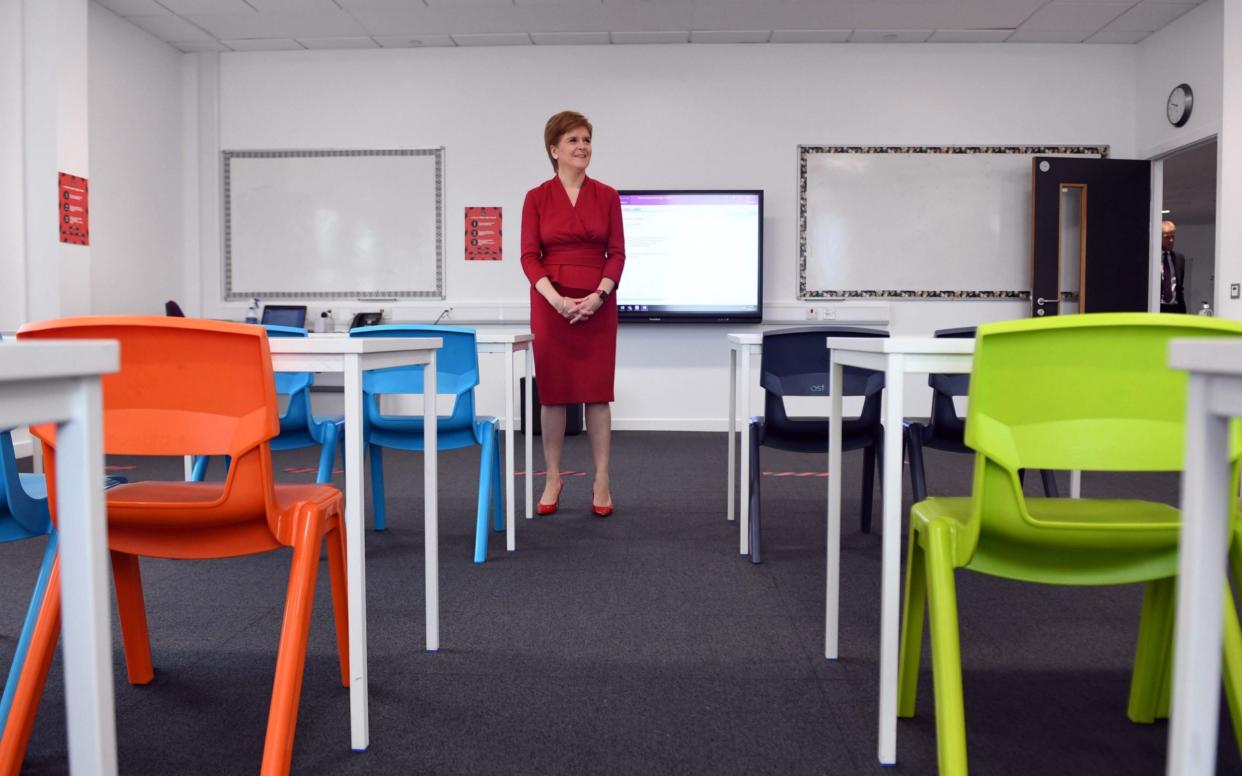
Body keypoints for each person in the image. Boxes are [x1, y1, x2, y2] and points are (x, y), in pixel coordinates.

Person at [520, 111, 625, 517]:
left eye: (586, 139)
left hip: (598, 302)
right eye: (573, 140)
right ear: (554, 149)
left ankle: (601, 478)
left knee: (598, 395)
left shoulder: (608, 195)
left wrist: (599, 295)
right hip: (551, 304)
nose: (582, 147)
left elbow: (616, 254)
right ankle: (551, 476)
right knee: (554, 394)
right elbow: (530, 257)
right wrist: (557, 300)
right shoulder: (536, 197)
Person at [1160, 219, 1187, 314]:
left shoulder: (1179, 258)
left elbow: (1179, 287)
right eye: (1167, 237)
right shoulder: (1152, 259)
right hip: (1158, 308)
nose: (1171, 240)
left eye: (1173, 237)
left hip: (1176, 309)